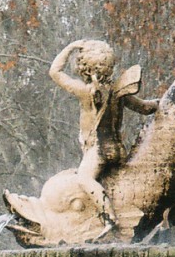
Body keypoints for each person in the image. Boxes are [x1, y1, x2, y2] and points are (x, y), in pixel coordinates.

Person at [49, 38, 158, 225]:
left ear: (85, 68)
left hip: (98, 151)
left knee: (83, 179)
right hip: (118, 149)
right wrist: (165, 101)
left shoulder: (86, 92)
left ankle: (108, 217)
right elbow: (146, 108)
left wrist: (69, 48)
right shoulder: (118, 91)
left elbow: (55, 72)